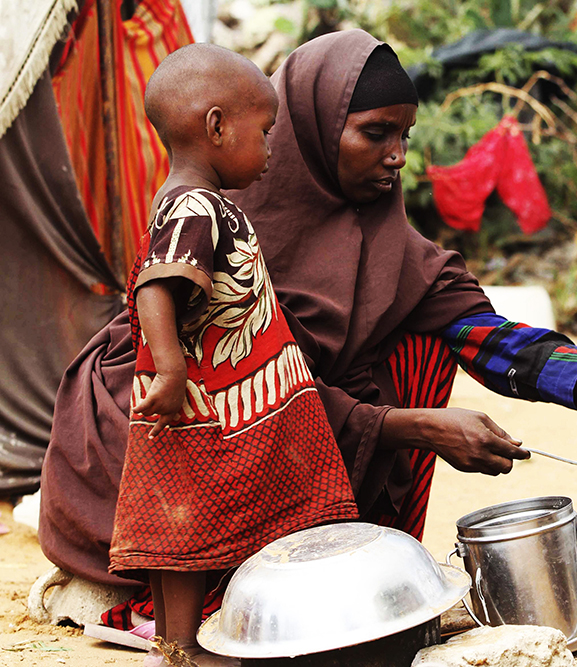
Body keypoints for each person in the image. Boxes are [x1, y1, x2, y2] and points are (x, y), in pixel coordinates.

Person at [39, 29, 577, 628]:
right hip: (167, 428)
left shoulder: (396, 254)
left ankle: (320, 552)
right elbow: (241, 385)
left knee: (422, 337)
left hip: (281, 427)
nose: (398, 156)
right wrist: (415, 426)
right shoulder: (218, 218)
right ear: (312, 130)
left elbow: (515, 352)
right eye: (375, 133)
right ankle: (166, 590)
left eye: (405, 135)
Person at [110, 44, 358, 665]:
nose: (272, 149)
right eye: (265, 131)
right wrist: (169, 369)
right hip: (207, 404)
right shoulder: (198, 206)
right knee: (193, 524)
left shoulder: (191, 201)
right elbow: (156, 287)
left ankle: (175, 644)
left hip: (190, 400)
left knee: (178, 528)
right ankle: (190, 644)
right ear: (217, 126)